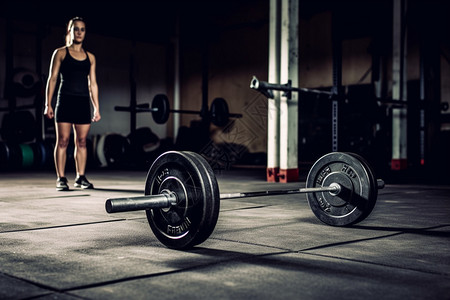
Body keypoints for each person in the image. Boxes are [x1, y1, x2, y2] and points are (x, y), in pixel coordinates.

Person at [44, 17, 101, 191]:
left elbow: (93, 84)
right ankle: (61, 178)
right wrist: (48, 103)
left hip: (83, 102)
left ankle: (80, 177)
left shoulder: (90, 57)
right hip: (65, 100)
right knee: (63, 141)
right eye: (76, 29)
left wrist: (96, 107)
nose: (79, 32)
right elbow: (52, 78)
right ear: (70, 31)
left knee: (82, 141)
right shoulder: (60, 53)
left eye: (82, 29)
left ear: (85, 32)